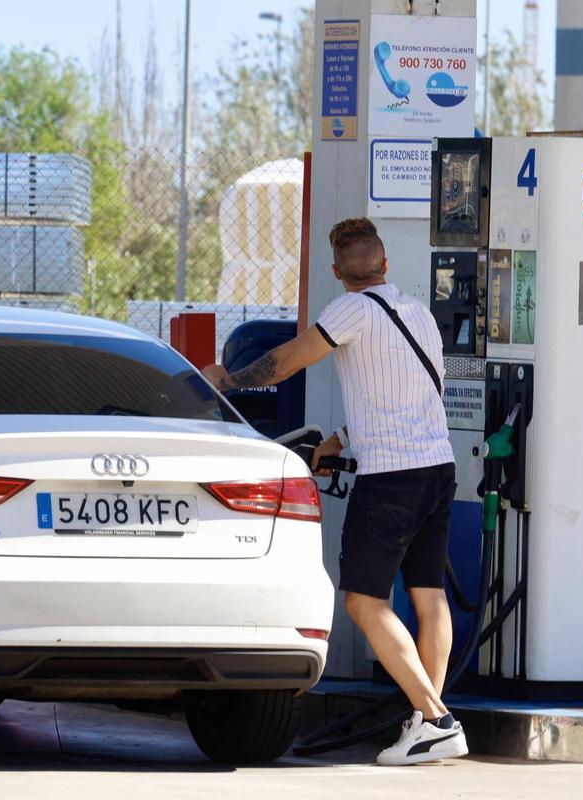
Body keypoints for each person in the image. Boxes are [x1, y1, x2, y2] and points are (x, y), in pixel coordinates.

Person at [201, 217, 466, 766]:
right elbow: (418, 393)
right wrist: (342, 439)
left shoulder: (351, 308)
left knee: (365, 602)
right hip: (437, 468)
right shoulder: (418, 311)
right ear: (386, 263)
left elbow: (288, 361)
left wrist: (227, 379)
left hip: (391, 477)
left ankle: (437, 719)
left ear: (337, 271)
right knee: (429, 596)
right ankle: (425, 721)